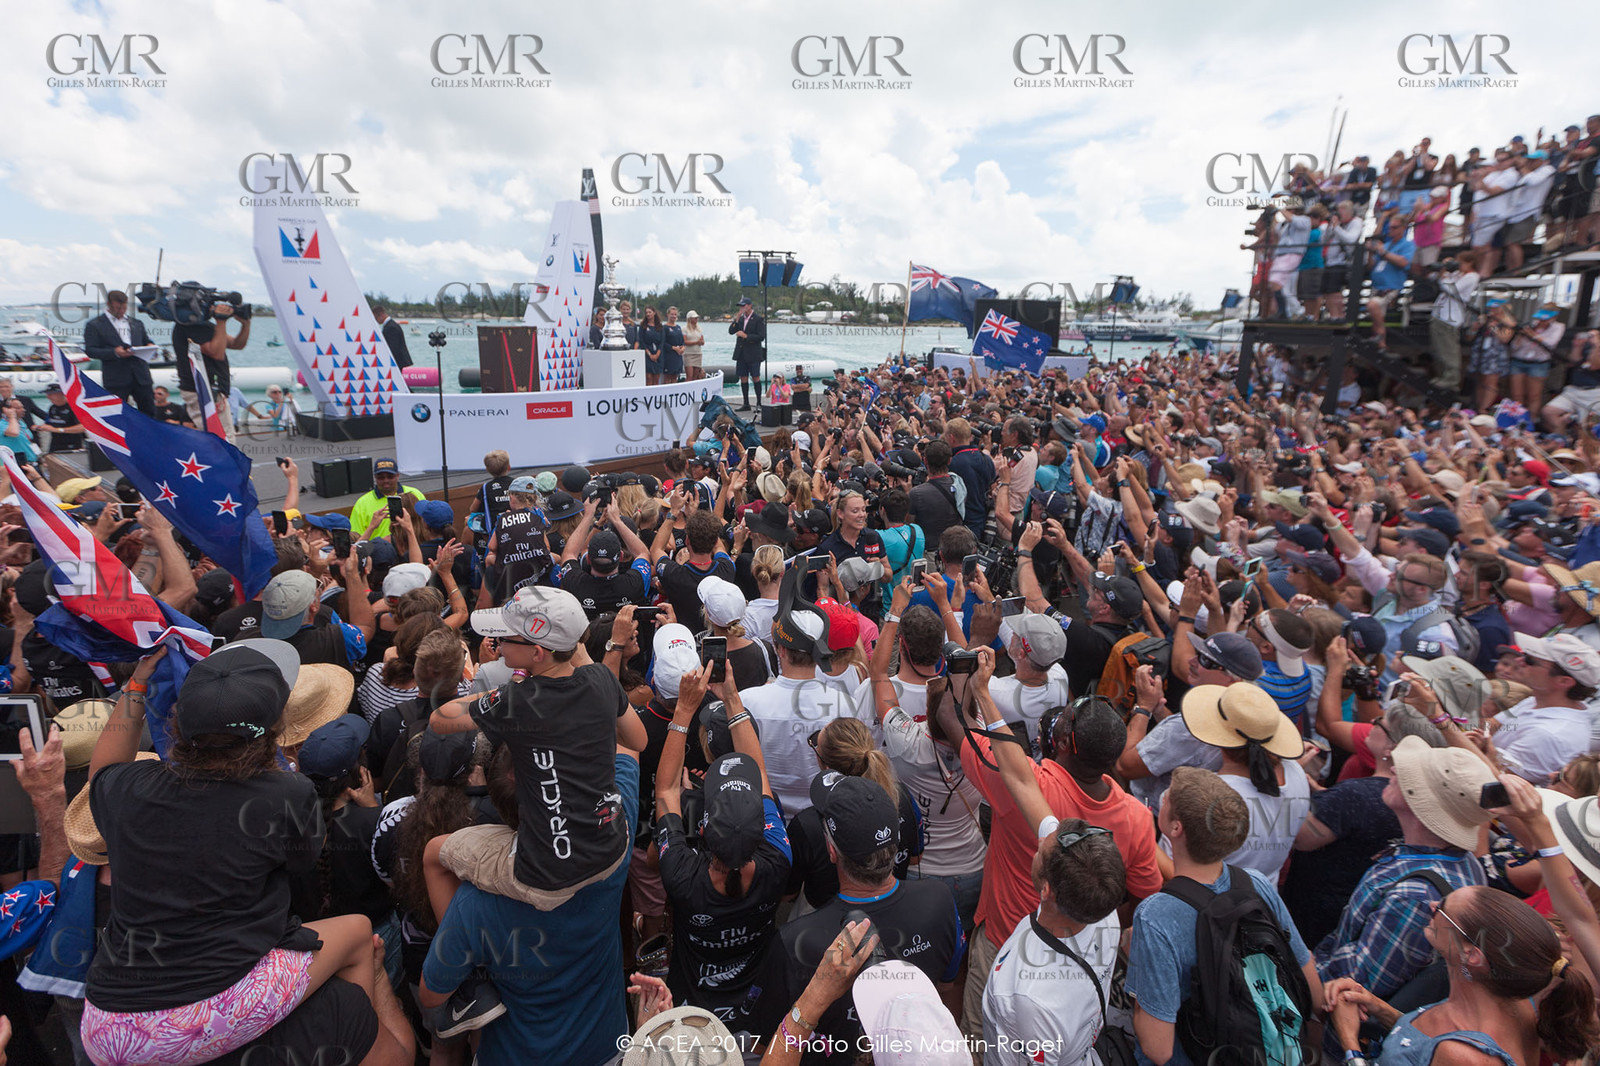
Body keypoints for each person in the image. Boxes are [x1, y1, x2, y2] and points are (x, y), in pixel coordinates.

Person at [78, 641, 404, 1065]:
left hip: (108, 1026)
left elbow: (102, 771)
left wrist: (137, 683)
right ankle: (350, 1029)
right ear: (273, 729)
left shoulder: (131, 787)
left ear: (180, 721)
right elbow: (303, 860)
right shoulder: (287, 793)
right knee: (359, 932)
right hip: (213, 1011)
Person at [1125, 766, 1323, 1066]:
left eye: (1168, 798)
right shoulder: (1256, 884)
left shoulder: (1156, 916)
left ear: (1176, 828)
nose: (1162, 798)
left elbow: (1158, 1048)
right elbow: (1314, 993)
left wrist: (1137, 971)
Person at [768, 770, 965, 1066]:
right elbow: (948, 993)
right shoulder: (940, 899)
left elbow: (769, 1042)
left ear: (832, 852)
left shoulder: (793, 939)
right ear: (896, 845)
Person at [1314, 736, 1493, 999]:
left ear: (1422, 804)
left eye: (1412, 775)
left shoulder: (1415, 895)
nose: (1396, 769)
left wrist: (1303, 966)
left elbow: (1355, 986)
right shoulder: (1464, 861)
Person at [83, 290, 155, 417]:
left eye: (124, 307)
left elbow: (146, 341)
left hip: (141, 376)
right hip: (116, 378)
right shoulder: (94, 325)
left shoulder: (136, 323)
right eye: (117, 308)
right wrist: (114, 352)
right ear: (109, 305)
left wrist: (150, 346)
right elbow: (91, 350)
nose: (121, 311)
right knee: (117, 414)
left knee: (149, 412)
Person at [349, 458, 427, 542]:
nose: (386, 481)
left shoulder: (414, 494)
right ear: (375, 477)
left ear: (397, 476)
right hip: (379, 550)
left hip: (414, 544)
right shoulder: (362, 503)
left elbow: (427, 524)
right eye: (381, 478)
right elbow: (356, 536)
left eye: (390, 477)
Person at [730, 296, 766, 411]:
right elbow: (731, 331)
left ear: (749, 306)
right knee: (743, 377)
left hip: (753, 353)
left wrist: (746, 336)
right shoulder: (740, 319)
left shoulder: (758, 319)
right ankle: (746, 403)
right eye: (741, 306)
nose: (742, 308)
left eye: (744, 305)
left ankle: (759, 403)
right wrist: (736, 319)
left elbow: (761, 336)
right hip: (741, 353)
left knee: (755, 377)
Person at [371, 304, 412, 369]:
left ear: (381, 315)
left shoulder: (391, 327)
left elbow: (393, 348)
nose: (375, 320)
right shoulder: (391, 325)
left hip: (397, 362)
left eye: (375, 318)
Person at [662, 306, 686, 383]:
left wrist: (683, 348)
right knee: (667, 378)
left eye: (675, 314)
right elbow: (663, 343)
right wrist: (673, 348)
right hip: (668, 356)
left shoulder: (678, 327)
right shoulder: (665, 327)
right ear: (668, 315)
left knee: (674, 377)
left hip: (678, 356)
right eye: (672, 314)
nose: (673, 316)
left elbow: (682, 341)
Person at [682, 309, 705, 381]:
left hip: (698, 353)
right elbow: (684, 341)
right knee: (690, 376)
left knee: (696, 376)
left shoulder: (699, 329)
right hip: (688, 354)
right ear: (690, 319)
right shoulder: (685, 329)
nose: (696, 319)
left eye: (697, 318)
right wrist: (696, 342)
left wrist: (701, 342)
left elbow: (702, 340)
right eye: (694, 318)